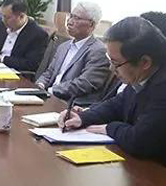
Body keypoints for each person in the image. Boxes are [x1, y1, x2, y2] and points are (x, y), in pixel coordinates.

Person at [59, 17, 166, 164]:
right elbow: (117, 104)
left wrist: (109, 128)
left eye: (115, 63)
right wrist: (83, 117)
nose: (111, 69)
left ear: (144, 62)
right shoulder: (142, 75)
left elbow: (139, 141)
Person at [36, 2, 110, 103]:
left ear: (91, 24)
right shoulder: (63, 46)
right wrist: (40, 85)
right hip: (48, 96)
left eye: (77, 18)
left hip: (70, 103)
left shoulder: (98, 51)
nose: (70, 22)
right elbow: (49, 72)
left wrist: (50, 91)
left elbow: (84, 84)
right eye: (71, 16)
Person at [0, 0, 48, 72]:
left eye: (7, 17)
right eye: (2, 16)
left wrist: (2, 59)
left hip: (15, 74)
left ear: (21, 16)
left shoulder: (37, 34)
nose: (3, 20)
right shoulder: (2, 24)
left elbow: (30, 64)